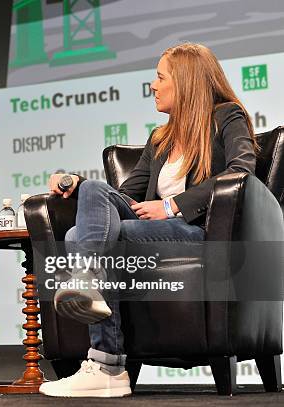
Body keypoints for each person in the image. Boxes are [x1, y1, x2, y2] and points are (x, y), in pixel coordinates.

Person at [39, 43, 257, 398]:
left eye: (160, 77)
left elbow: (241, 172)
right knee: (92, 201)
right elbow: (120, 196)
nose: (152, 86)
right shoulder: (160, 139)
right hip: (150, 229)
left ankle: (106, 364)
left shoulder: (226, 116)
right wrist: (78, 187)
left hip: (197, 231)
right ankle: (102, 346)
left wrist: (172, 206)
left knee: (83, 236)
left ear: (186, 82)